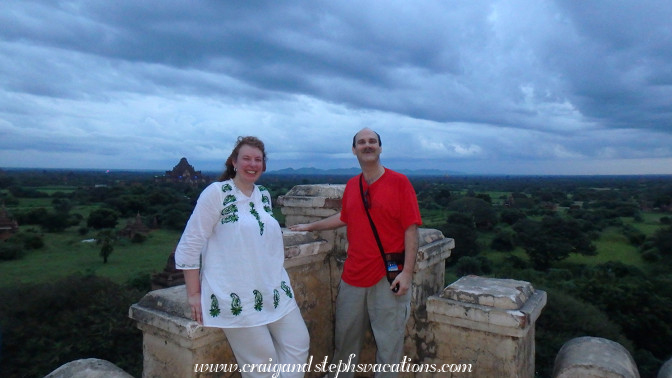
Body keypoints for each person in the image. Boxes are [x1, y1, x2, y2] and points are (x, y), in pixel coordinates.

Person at [290, 128, 421, 378]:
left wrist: (407, 273)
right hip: (353, 275)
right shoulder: (353, 185)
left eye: (372, 141)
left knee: (389, 344)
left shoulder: (399, 183)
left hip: (387, 277)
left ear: (380, 148)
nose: (367, 145)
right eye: (362, 142)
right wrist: (311, 226)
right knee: (345, 342)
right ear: (354, 150)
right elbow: (345, 216)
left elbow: (411, 229)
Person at [175, 136, 309, 378]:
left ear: (263, 165)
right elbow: (191, 242)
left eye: (258, 159)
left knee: (298, 343)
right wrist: (194, 293)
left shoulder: (264, 196)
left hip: (274, 287)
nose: (252, 164)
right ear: (234, 162)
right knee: (262, 364)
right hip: (236, 294)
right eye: (246, 158)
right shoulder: (217, 193)